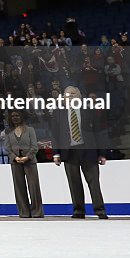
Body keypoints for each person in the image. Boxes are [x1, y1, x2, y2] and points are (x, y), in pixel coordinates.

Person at [51, 86, 108, 219]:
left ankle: (100, 210)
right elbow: (55, 134)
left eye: (72, 94)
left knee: (94, 182)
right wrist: (56, 153)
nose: (69, 97)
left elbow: (99, 132)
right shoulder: (58, 112)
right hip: (69, 152)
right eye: (66, 95)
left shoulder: (89, 110)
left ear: (79, 96)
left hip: (88, 151)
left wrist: (102, 153)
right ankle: (78, 210)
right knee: (74, 182)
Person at [5, 112, 42, 218]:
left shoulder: (30, 130)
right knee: (19, 188)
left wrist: (27, 157)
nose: (15, 118)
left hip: (30, 161)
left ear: (21, 116)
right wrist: (15, 157)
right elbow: (7, 148)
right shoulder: (8, 131)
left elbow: (34, 146)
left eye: (17, 115)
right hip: (15, 162)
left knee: (34, 187)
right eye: (12, 116)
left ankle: (37, 212)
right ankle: (24, 212)